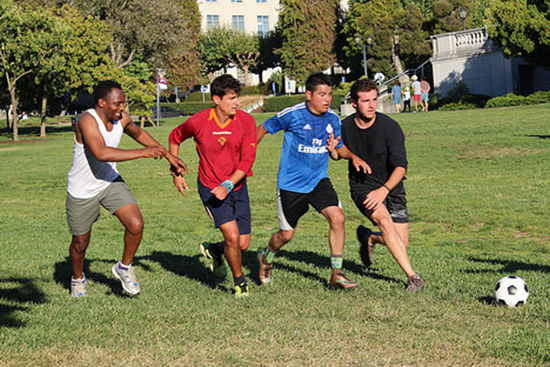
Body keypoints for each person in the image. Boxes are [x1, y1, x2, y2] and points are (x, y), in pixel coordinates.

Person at [66, 80, 186, 298]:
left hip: (109, 181)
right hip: (82, 189)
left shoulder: (121, 119)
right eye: (117, 104)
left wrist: (169, 155)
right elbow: (101, 153)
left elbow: (138, 134)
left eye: (123, 103)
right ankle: (77, 278)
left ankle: (124, 267)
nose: (122, 108)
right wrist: (143, 153)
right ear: (102, 103)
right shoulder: (86, 120)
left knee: (136, 224)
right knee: (80, 243)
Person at [256, 72, 370, 290]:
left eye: (329, 94)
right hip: (291, 185)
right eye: (322, 94)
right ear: (309, 94)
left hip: (319, 181)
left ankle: (336, 273)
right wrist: (246, 156)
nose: (327, 99)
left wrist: (352, 156)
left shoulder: (332, 119)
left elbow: (338, 147)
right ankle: (266, 257)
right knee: (286, 235)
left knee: (337, 218)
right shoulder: (293, 115)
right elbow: (263, 129)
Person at [168, 74, 257, 298]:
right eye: (232, 98)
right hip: (210, 187)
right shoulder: (198, 121)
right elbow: (174, 137)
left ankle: (215, 250)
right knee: (233, 237)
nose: (237, 103)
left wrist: (228, 184)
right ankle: (240, 284)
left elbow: (247, 162)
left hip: (237, 186)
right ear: (216, 99)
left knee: (242, 244)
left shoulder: (247, 122)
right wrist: (176, 172)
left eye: (237, 98)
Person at [340, 78, 424, 292]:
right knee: (386, 223)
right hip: (363, 187)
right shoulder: (346, 127)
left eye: (374, 99)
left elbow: (401, 168)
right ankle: (413, 278)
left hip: (391, 187)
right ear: (354, 103)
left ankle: (370, 237)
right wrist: (341, 152)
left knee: (400, 244)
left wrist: (384, 190)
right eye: (366, 100)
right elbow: (338, 152)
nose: (371, 105)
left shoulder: (390, 127)